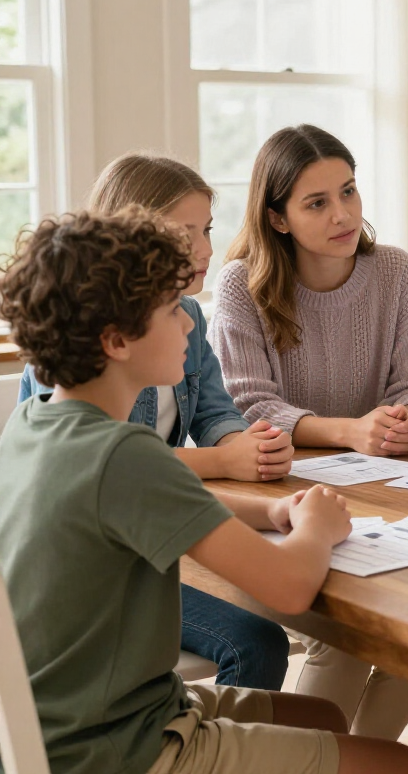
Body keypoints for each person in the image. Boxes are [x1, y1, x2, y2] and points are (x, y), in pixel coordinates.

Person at [0, 208, 408, 774]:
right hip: (113, 765)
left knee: (323, 716)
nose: (188, 321)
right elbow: (287, 588)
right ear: (117, 340)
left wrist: (277, 509)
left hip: (52, 744)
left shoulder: (36, 427)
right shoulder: (125, 454)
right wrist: (316, 528)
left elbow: (156, 503)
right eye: (172, 308)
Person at [18, 153, 295, 693]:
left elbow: (215, 411)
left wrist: (248, 445)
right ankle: (220, 766)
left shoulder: (187, 317)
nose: (206, 249)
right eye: (183, 232)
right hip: (108, 570)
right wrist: (222, 461)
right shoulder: (76, 345)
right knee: (255, 639)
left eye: (207, 229)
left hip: (149, 535)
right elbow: (120, 461)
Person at [211, 123, 408, 740]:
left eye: (349, 192)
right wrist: (351, 431)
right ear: (279, 218)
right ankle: (331, 773)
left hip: (383, 497)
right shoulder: (242, 286)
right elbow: (247, 408)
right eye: (317, 202)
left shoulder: (394, 272)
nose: (343, 214)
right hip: (276, 507)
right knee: (349, 635)